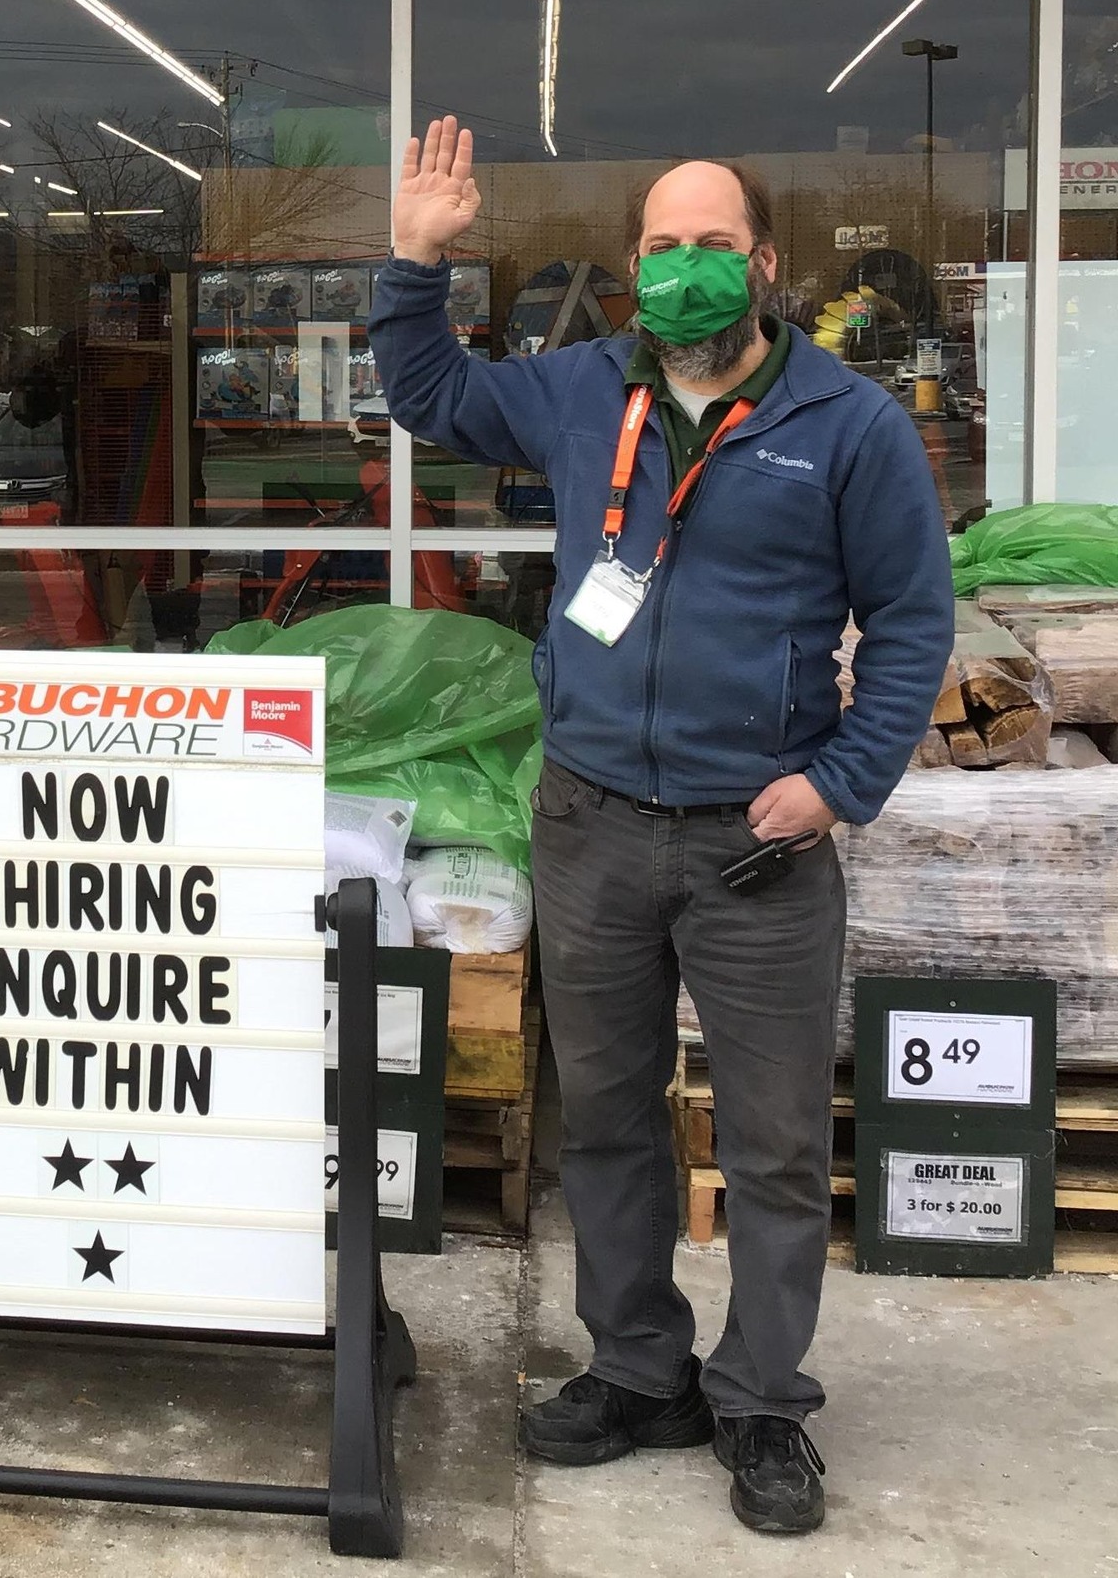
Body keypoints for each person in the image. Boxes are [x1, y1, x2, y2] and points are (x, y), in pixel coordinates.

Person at [370, 118, 953, 1535]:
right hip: (590, 826)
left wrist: (840, 782)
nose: (686, 268)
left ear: (765, 263)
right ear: (634, 267)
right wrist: (415, 262)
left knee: (770, 1144)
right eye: (662, 247)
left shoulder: (849, 425)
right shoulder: (584, 389)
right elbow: (431, 394)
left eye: (713, 245)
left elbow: (913, 619)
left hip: (759, 847)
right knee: (611, 1124)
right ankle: (639, 1370)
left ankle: (761, 1400)